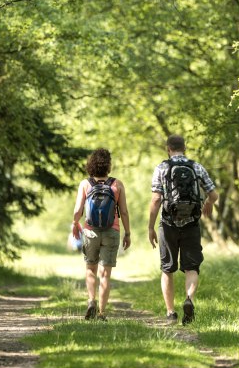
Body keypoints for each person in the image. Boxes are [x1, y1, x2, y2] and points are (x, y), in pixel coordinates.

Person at [148, 135, 218, 325]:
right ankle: (189, 299)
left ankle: (171, 312)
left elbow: (156, 200)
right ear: (184, 148)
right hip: (192, 223)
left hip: (168, 224)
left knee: (167, 269)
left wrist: (151, 227)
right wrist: (208, 203)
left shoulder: (162, 168)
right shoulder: (197, 167)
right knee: (191, 267)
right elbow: (214, 194)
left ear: (168, 149)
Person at [72, 148, 131, 321]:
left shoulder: (85, 184)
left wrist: (75, 223)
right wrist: (127, 233)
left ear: (91, 164)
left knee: (91, 269)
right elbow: (124, 212)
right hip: (111, 231)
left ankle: (91, 301)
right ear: (108, 165)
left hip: (90, 231)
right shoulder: (117, 184)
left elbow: (78, 210)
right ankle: (102, 313)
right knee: (105, 273)